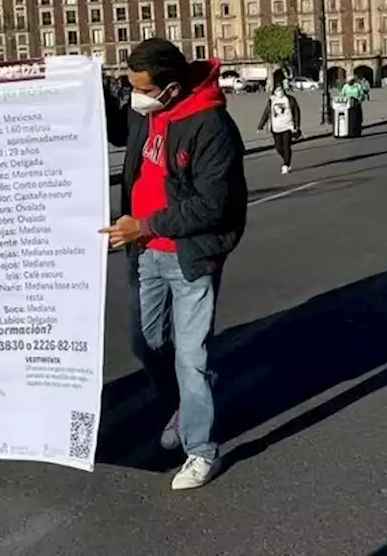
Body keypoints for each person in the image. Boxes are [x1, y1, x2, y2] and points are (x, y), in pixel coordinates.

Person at [100, 38, 247, 491]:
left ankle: (202, 451)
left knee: (190, 356)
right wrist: (93, 90)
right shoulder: (148, 113)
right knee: (146, 345)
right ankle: (182, 406)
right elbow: (118, 131)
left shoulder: (212, 126)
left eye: (141, 88)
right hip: (145, 251)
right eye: (130, 88)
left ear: (171, 88)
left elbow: (211, 207)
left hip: (190, 256)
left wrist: (142, 224)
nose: (135, 96)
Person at [258, 83, 301, 173]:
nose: (279, 92)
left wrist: (296, 126)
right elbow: (266, 112)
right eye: (277, 90)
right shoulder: (272, 100)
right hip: (276, 127)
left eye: (280, 90)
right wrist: (260, 126)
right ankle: (286, 158)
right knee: (278, 147)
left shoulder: (290, 99)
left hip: (287, 126)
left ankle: (286, 164)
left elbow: (296, 112)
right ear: (274, 91)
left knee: (286, 146)